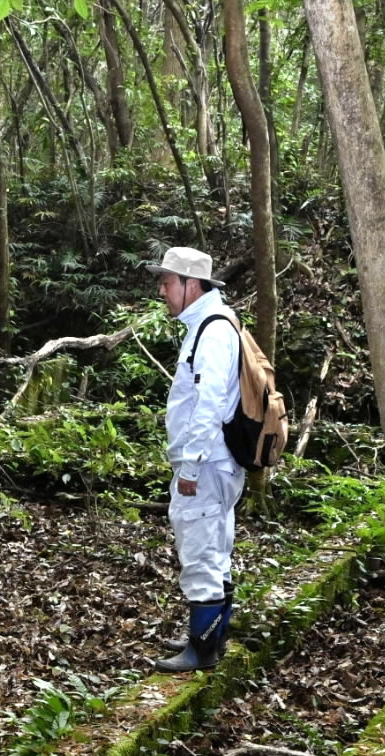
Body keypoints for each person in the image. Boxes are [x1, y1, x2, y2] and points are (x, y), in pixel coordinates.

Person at [148, 246, 243, 673]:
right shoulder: (207, 324)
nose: (162, 289)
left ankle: (201, 649)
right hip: (215, 462)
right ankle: (211, 635)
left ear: (192, 285)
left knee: (201, 550)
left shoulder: (213, 330)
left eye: (167, 282)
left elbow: (208, 403)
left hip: (206, 464)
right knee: (215, 546)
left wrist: (189, 466)